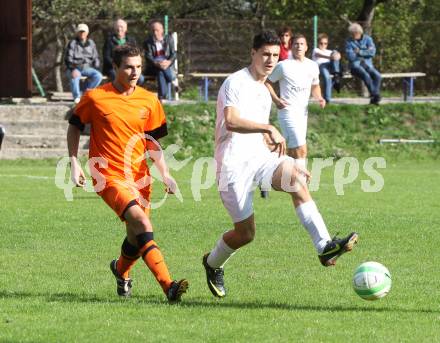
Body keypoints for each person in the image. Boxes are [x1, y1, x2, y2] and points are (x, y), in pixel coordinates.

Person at [202, 31, 358, 298]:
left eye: (275, 55)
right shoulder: (235, 82)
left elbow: (255, 128)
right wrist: (268, 127)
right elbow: (231, 121)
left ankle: (324, 246)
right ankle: (212, 263)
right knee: (245, 234)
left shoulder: (264, 88)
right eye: (265, 54)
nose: (271, 60)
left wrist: (270, 141)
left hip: (261, 160)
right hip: (232, 166)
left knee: (296, 179)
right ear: (252, 53)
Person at [67, 45, 188, 303]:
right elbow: (74, 126)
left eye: (138, 67)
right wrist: (74, 162)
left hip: (140, 177)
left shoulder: (149, 100)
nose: (134, 72)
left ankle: (121, 271)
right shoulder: (95, 97)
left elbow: (152, 142)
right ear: (115, 68)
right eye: (128, 67)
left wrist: (165, 173)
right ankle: (169, 286)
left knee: (135, 234)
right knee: (143, 224)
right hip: (107, 175)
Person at [265, 34, 326, 165]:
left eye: (301, 44)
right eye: (296, 44)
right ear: (291, 47)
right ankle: (301, 182)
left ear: (306, 47)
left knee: (293, 151)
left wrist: (319, 97)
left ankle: (275, 172)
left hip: (303, 113)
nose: (299, 46)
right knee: (301, 148)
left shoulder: (312, 66)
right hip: (287, 112)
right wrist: (276, 100)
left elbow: (315, 86)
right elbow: (267, 82)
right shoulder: (283, 66)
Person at [65, 23, 102, 104]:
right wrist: (72, 69)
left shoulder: (91, 43)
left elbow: (96, 57)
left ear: (87, 33)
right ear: (77, 33)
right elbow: (68, 59)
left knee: (98, 76)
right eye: (80, 32)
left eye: (84, 32)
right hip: (74, 67)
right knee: (75, 76)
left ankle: (85, 94)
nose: (82, 34)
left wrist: (97, 67)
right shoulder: (72, 43)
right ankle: (77, 97)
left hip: (88, 68)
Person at [345, 23, 382, 105]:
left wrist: (359, 52)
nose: (351, 35)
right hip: (355, 66)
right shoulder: (349, 41)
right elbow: (350, 56)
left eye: (353, 33)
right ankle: (375, 95)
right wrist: (366, 52)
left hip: (367, 65)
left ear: (358, 33)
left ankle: (374, 98)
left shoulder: (368, 39)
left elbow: (372, 52)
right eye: (351, 34)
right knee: (366, 76)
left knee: (378, 76)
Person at [102, 19, 145, 85]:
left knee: (141, 79)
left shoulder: (131, 40)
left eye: (121, 27)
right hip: (113, 68)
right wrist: (117, 65)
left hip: (130, 67)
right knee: (117, 77)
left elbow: (136, 54)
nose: (119, 29)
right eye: (117, 27)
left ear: (126, 28)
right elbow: (106, 57)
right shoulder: (109, 40)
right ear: (114, 28)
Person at [143, 20, 177, 100]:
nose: (155, 32)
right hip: (153, 66)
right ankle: (172, 83)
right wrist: (156, 63)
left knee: (161, 72)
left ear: (162, 30)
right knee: (160, 70)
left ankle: (162, 96)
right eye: (153, 30)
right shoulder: (147, 42)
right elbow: (148, 56)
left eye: (157, 30)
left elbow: (174, 54)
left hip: (166, 65)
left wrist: (168, 62)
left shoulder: (169, 39)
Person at [312, 33, 342, 103]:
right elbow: (318, 55)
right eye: (321, 43)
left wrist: (337, 55)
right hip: (321, 66)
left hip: (330, 67)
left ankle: (336, 75)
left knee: (335, 52)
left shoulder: (329, 51)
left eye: (325, 43)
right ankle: (327, 99)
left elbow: (337, 56)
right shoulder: (316, 50)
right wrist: (331, 57)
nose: (323, 45)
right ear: (318, 43)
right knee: (327, 77)